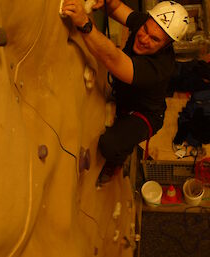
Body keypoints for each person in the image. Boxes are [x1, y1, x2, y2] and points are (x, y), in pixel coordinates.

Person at [62, 0, 189, 186]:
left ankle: (117, 162)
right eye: (145, 29)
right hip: (126, 94)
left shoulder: (160, 68)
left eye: (154, 39)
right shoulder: (150, 25)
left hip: (144, 114)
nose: (144, 38)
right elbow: (117, 8)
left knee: (110, 145)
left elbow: (112, 59)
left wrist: (85, 24)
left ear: (167, 44)